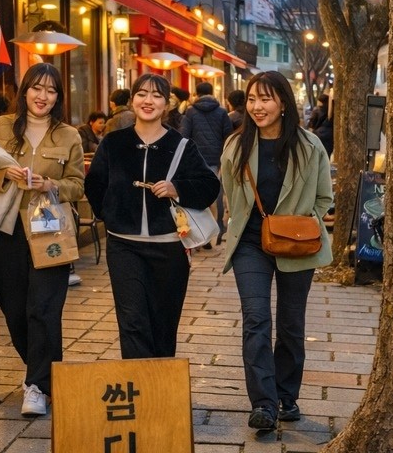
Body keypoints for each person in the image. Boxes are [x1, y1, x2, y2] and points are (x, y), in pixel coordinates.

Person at [0, 63, 84, 418]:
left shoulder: (69, 135)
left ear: (58, 97)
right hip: (9, 229)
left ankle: (36, 385)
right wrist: (5, 174)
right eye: (37, 88)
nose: (43, 96)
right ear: (24, 91)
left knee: (44, 308)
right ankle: (48, 373)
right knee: (13, 302)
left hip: (50, 230)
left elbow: (78, 185)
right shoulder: (2, 127)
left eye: (51, 91)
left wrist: (50, 185)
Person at [220, 71, 333, 431]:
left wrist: (301, 225)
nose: (257, 106)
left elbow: (323, 197)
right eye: (252, 99)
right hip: (250, 245)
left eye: (265, 99)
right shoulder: (236, 146)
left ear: (283, 102)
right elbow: (230, 196)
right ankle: (264, 404)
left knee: (290, 323)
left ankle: (287, 396)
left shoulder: (309, 145)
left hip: (297, 244)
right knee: (256, 318)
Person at [86, 74, 220, 360]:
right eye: (142, 94)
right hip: (124, 245)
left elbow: (210, 186)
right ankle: (139, 389)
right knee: (132, 320)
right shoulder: (113, 143)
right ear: (132, 99)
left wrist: (177, 188)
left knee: (164, 322)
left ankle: (161, 390)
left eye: (157, 95)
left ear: (167, 104)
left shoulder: (182, 146)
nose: (148, 101)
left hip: (169, 245)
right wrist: (111, 215)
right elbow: (95, 184)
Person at [180, 82, 234, 245]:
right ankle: (213, 235)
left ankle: (198, 233)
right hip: (215, 159)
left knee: (195, 195)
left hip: (194, 160)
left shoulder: (190, 112)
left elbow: (184, 135)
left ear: (197, 93)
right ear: (212, 93)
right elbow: (228, 136)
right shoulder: (222, 112)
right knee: (213, 196)